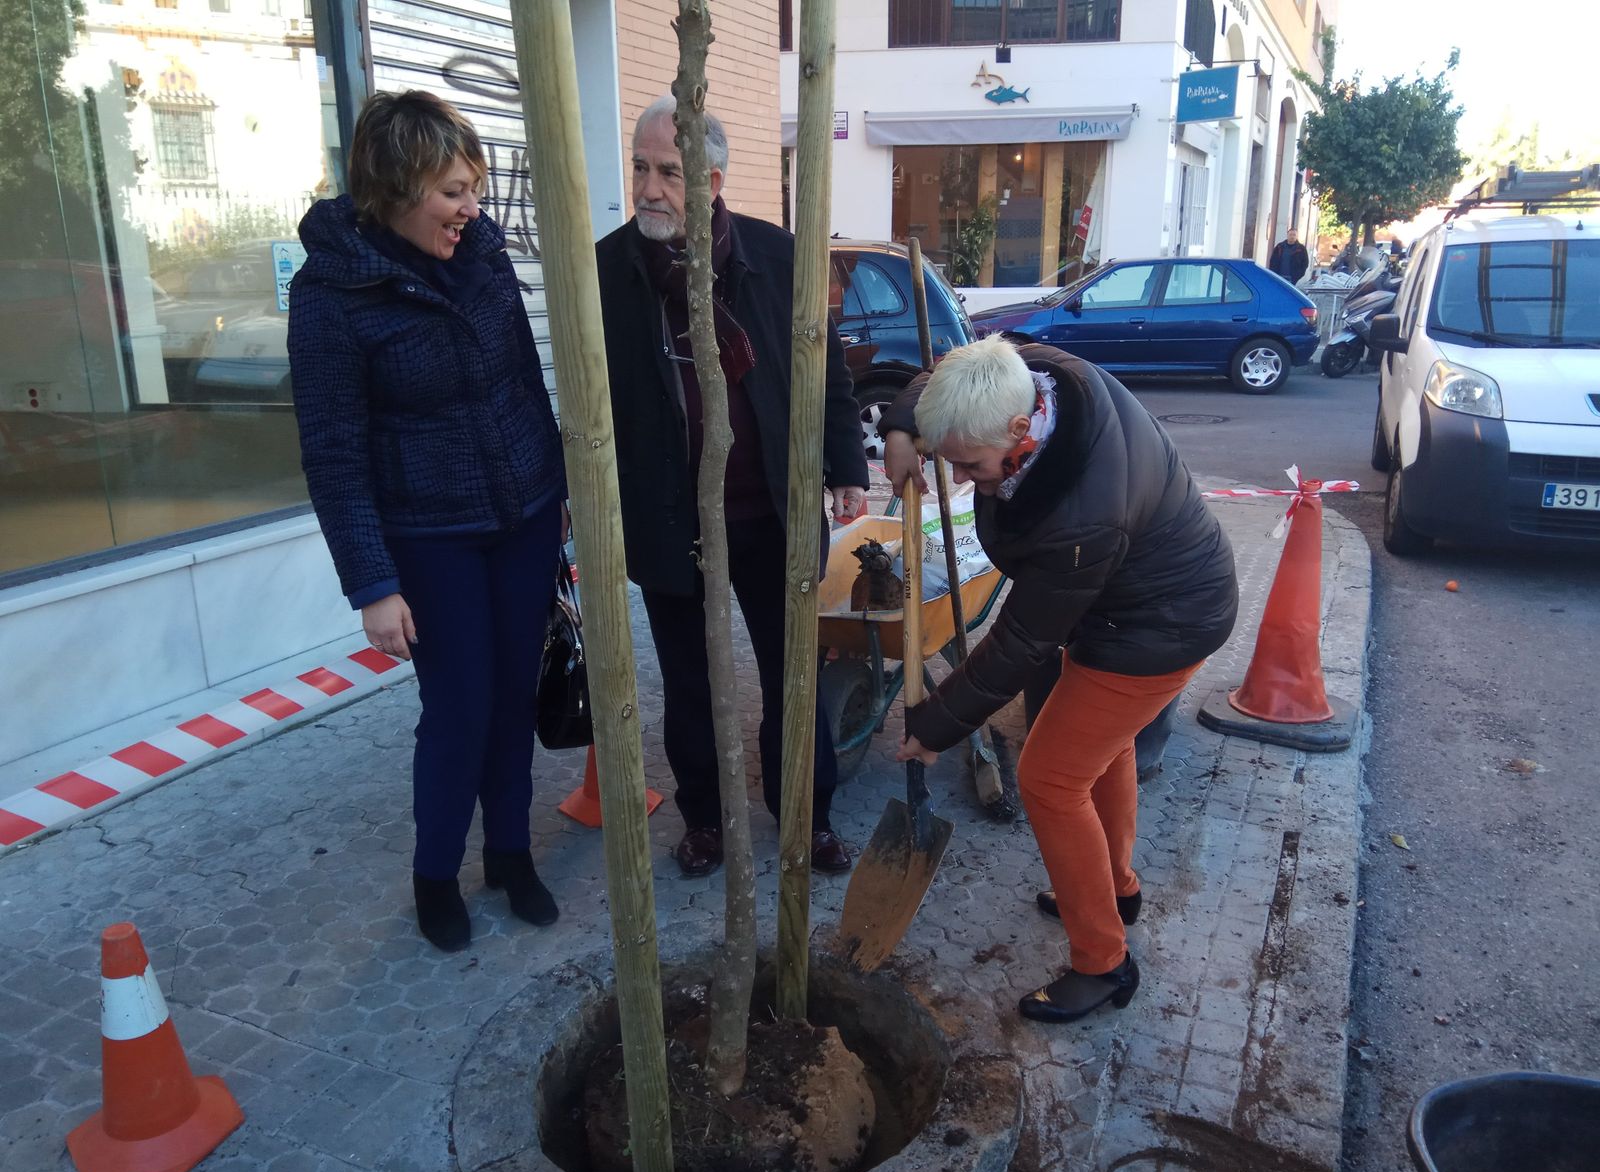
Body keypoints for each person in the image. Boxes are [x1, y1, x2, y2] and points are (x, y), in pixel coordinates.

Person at [880, 336, 1237, 1023]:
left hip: (1157, 628)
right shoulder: (1036, 372)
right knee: (1104, 750)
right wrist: (902, 426)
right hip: (1129, 607)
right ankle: (1117, 888)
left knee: (1049, 779)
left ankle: (1103, 965)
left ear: (1019, 429)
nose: (958, 481)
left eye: (969, 465)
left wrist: (933, 725)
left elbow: (1020, 642)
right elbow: (953, 369)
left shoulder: (1084, 515)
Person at [288, 91, 567, 953]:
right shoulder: (331, 294)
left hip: (520, 520)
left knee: (514, 696)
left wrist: (557, 506)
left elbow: (525, 383)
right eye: (453, 191)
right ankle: (436, 873)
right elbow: (333, 450)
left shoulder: (482, 257)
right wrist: (373, 584)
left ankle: (511, 855)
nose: (472, 209)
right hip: (429, 535)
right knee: (459, 708)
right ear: (398, 187)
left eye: (475, 188)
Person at [594, 97, 869, 877]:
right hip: (669, 521)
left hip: (773, 517)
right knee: (688, 685)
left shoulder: (776, 258)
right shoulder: (608, 271)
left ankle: (805, 818)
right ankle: (706, 819)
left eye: (669, 172)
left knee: (794, 680)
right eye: (641, 168)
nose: (649, 187)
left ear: (710, 180)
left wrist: (846, 465)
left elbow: (825, 374)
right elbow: (589, 403)